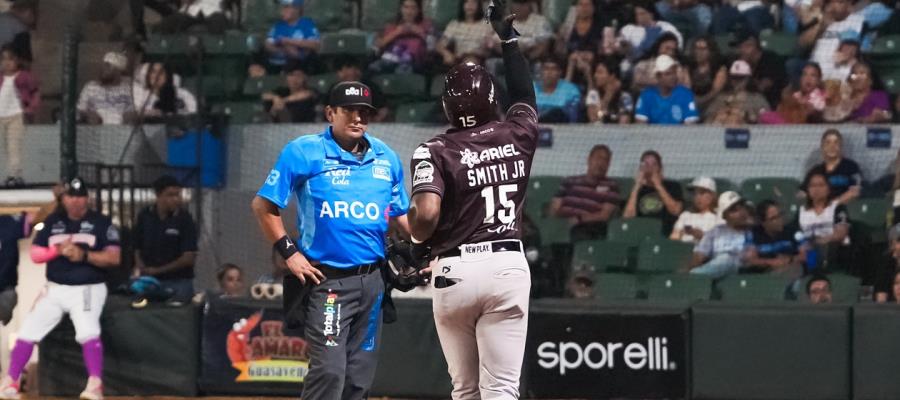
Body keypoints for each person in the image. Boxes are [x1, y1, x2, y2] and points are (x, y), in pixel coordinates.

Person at [406, 1, 537, 397]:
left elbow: (426, 215)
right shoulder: (518, 134)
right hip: (506, 266)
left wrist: (415, 244)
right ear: (491, 99)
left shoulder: (434, 148)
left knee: (465, 390)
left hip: (454, 272)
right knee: (501, 390)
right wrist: (508, 40)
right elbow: (525, 96)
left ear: (448, 105)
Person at [250, 79, 410, 399]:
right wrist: (290, 253)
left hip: (374, 283)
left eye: (364, 112)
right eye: (349, 111)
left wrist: (426, 250)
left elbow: (401, 219)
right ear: (329, 113)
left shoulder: (386, 157)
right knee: (329, 372)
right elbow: (263, 206)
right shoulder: (303, 151)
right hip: (328, 282)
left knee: (359, 378)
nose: (357, 118)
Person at [0, 177, 121, 400]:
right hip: (55, 288)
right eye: (71, 197)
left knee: (88, 331)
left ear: (87, 198)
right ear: (64, 199)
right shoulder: (54, 221)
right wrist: (56, 251)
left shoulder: (101, 223)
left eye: (80, 197)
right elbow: (36, 254)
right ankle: (11, 381)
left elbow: (114, 258)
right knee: (28, 331)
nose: (76, 202)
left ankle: (95, 384)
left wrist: (83, 254)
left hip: (87, 287)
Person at [133, 175, 199, 304]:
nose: (176, 199)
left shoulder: (185, 219)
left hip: (178, 282)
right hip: (149, 281)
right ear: (158, 196)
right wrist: (140, 265)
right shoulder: (145, 216)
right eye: (170, 195)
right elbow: (136, 245)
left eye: (178, 195)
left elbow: (188, 257)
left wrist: (158, 270)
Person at [548, 145, 620, 241]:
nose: (601, 163)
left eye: (606, 160)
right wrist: (563, 220)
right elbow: (555, 208)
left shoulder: (611, 186)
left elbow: (604, 215)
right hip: (563, 225)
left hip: (587, 228)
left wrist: (580, 219)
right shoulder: (569, 181)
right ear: (589, 159)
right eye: (598, 158)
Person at [687, 191, 754, 279]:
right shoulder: (715, 232)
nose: (741, 212)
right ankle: (690, 278)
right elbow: (699, 256)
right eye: (734, 210)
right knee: (724, 259)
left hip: (742, 274)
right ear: (724, 216)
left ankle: (692, 278)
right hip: (718, 274)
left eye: (742, 207)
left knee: (728, 259)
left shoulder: (753, 232)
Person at [797, 167, 852, 272]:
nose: (816, 189)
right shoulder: (801, 211)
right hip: (809, 253)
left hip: (834, 251)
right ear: (807, 190)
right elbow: (797, 235)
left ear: (828, 188)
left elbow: (841, 233)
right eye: (812, 186)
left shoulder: (837, 208)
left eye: (821, 185)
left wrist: (819, 241)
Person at [0, 45, 38, 187]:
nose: (7, 63)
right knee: (3, 148)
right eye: (3, 59)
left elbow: (35, 92)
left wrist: (30, 109)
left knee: (14, 146)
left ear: (17, 61)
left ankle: (14, 175)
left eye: (11, 59)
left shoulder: (23, 77)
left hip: (16, 115)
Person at [623, 150, 684, 236]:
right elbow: (627, 218)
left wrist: (658, 185)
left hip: (664, 233)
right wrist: (637, 186)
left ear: (660, 168)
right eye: (646, 164)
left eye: (654, 164)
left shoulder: (672, 186)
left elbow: (676, 210)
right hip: (640, 233)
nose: (650, 168)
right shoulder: (637, 190)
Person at [800, 0, 864, 76]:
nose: (834, 6)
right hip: (814, 70)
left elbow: (850, 51)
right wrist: (822, 27)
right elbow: (803, 44)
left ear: (849, 4)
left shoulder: (856, 20)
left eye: (840, 2)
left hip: (840, 71)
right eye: (831, 2)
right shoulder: (821, 20)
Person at [745, 200, 805, 277]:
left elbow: (807, 254)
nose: (779, 220)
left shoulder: (793, 231)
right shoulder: (753, 234)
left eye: (780, 215)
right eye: (774, 218)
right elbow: (751, 260)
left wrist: (790, 259)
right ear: (763, 222)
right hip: (764, 273)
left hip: (791, 269)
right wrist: (772, 262)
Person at [634, 54, 700, 124]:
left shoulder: (686, 94)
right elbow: (641, 125)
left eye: (674, 73)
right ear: (658, 76)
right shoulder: (646, 95)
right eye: (668, 74)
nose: (673, 77)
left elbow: (691, 125)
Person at [372, 0, 434, 74]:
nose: (409, 12)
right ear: (401, 9)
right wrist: (397, 32)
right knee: (372, 70)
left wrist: (420, 33)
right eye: (406, 7)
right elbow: (378, 45)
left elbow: (432, 47)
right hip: (388, 59)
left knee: (401, 72)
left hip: (412, 63)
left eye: (413, 8)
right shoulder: (392, 25)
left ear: (418, 10)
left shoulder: (426, 25)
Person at [704, 60, 771, 125]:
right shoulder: (720, 98)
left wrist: (748, 116)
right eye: (734, 78)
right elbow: (707, 119)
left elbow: (766, 121)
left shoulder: (757, 99)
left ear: (748, 79)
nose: (737, 81)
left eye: (741, 78)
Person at [76, 51, 134, 125]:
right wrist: (87, 115)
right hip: (95, 130)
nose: (104, 69)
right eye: (103, 66)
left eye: (108, 66)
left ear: (118, 71)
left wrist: (130, 116)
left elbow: (135, 111)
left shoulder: (128, 88)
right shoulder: (90, 87)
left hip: (122, 130)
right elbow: (80, 110)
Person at [825, 61, 892, 123]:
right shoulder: (842, 96)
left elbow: (886, 114)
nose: (857, 77)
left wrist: (883, 115)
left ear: (870, 80)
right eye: (854, 74)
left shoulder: (879, 96)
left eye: (862, 73)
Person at [734, 30, 786, 106]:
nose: (742, 51)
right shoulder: (742, 62)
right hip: (750, 103)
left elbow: (763, 87)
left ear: (754, 45)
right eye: (740, 47)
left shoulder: (771, 59)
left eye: (746, 46)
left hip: (771, 104)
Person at [265, 0, 320, 72]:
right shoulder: (278, 25)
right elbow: (268, 44)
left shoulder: (307, 24)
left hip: (300, 66)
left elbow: (315, 44)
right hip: (276, 65)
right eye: (281, 7)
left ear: (297, 9)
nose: (281, 11)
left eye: (286, 7)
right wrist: (284, 50)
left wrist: (288, 41)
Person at [810, 129, 862, 204]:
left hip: (844, 210)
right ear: (822, 147)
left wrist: (833, 205)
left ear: (841, 146)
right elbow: (803, 193)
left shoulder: (851, 167)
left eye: (836, 142)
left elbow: (856, 191)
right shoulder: (815, 171)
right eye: (828, 143)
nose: (832, 146)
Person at [618, 1, 683, 61]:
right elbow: (621, 47)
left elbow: (678, 42)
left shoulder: (665, 27)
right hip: (636, 62)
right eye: (637, 14)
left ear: (651, 14)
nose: (639, 17)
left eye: (642, 14)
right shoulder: (629, 29)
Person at [436, 0, 493, 67]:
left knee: (472, 62)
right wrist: (446, 53)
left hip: (481, 60)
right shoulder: (454, 25)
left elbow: (497, 44)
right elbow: (440, 45)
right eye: (467, 2)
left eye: (473, 2)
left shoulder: (487, 25)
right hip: (459, 60)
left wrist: (491, 43)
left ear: (479, 6)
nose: (470, 5)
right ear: (462, 5)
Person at [132, 62, 197, 119]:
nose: (156, 76)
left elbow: (194, 115)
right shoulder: (140, 96)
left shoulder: (183, 94)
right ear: (148, 75)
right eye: (153, 72)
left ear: (167, 75)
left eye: (161, 72)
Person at [670, 176, 720, 244]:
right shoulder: (686, 215)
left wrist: (701, 235)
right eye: (695, 193)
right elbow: (673, 238)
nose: (698, 197)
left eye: (702, 193)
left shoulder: (719, 217)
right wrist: (680, 233)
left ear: (712, 196)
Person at [584, 59, 632, 124]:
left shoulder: (624, 97)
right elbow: (594, 120)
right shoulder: (593, 94)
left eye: (600, 72)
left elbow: (624, 124)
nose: (595, 76)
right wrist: (608, 95)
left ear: (612, 76)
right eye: (596, 72)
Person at [534, 56, 581, 122]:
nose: (549, 72)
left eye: (553, 69)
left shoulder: (571, 91)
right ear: (541, 71)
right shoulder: (530, 89)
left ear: (559, 72)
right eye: (546, 69)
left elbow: (572, 118)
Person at [686, 36, 727, 112]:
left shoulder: (719, 69)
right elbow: (687, 88)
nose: (699, 52)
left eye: (703, 49)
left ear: (710, 51)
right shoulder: (688, 68)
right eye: (696, 48)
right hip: (691, 103)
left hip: (712, 104)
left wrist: (700, 102)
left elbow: (715, 91)